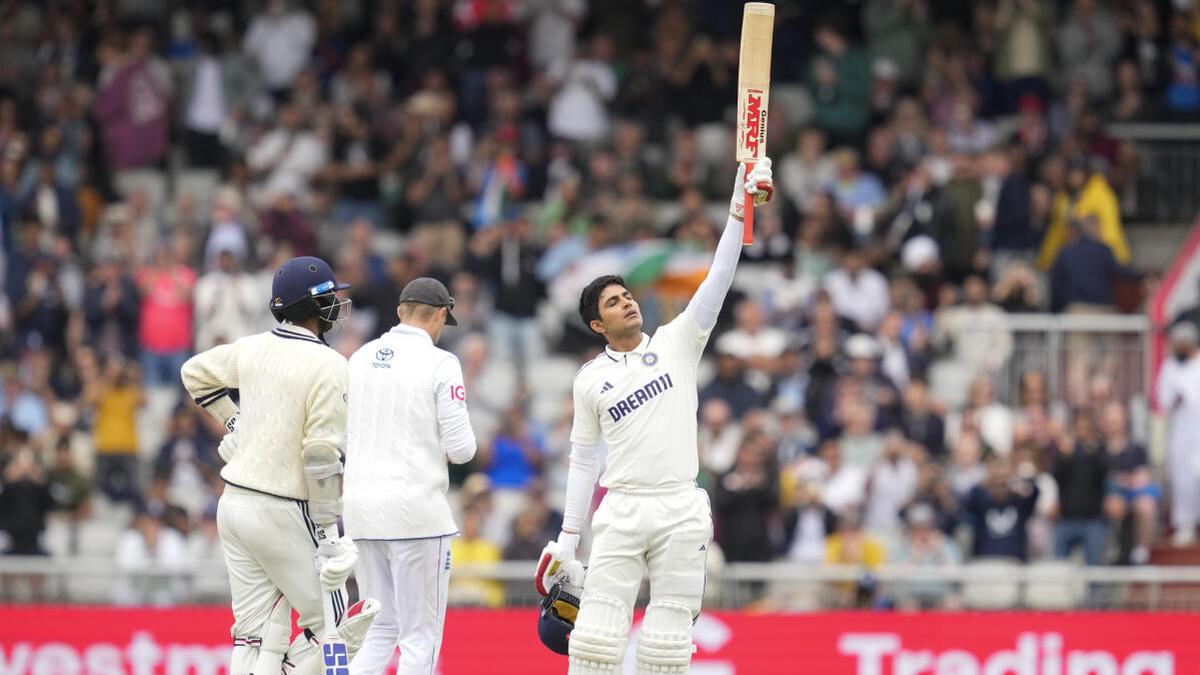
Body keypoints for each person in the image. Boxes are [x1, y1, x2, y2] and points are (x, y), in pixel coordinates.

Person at [536, 159, 774, 673]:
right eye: (614, 303)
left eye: (627, 296)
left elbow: (720, 274)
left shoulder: (678, 340)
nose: (627, 305)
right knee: (596, 642)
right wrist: (568, 539)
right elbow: (582, 461)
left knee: (666, 646)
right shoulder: (590, 379)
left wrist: (740, 199)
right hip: (621, 510)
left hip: (680, 506)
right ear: (597, 324)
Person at [180, 256, 376, 675]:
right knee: (334, 629)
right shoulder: (329, 364)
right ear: (313, 305)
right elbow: (322, 456)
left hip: (233, 506)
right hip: (284, 508)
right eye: (330, 298)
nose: (337, 306)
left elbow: (194, 372)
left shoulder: (252, 347)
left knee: (253, 634)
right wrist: (327, 532)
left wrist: (235, 424)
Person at [344, 277, 476, 675]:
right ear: (440, 315)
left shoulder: (360, 357)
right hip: (415, 513)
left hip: (361, 512)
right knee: (420, 637)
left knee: (379, 628)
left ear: (400, 311)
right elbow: (463, 448)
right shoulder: (441, 362)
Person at [1158, 322, 1200, 547]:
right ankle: (1185, 525)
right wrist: (1177, 398)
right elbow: (1163, 398)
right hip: (1181, 432)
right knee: (1183, 478)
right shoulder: (1170, 366)